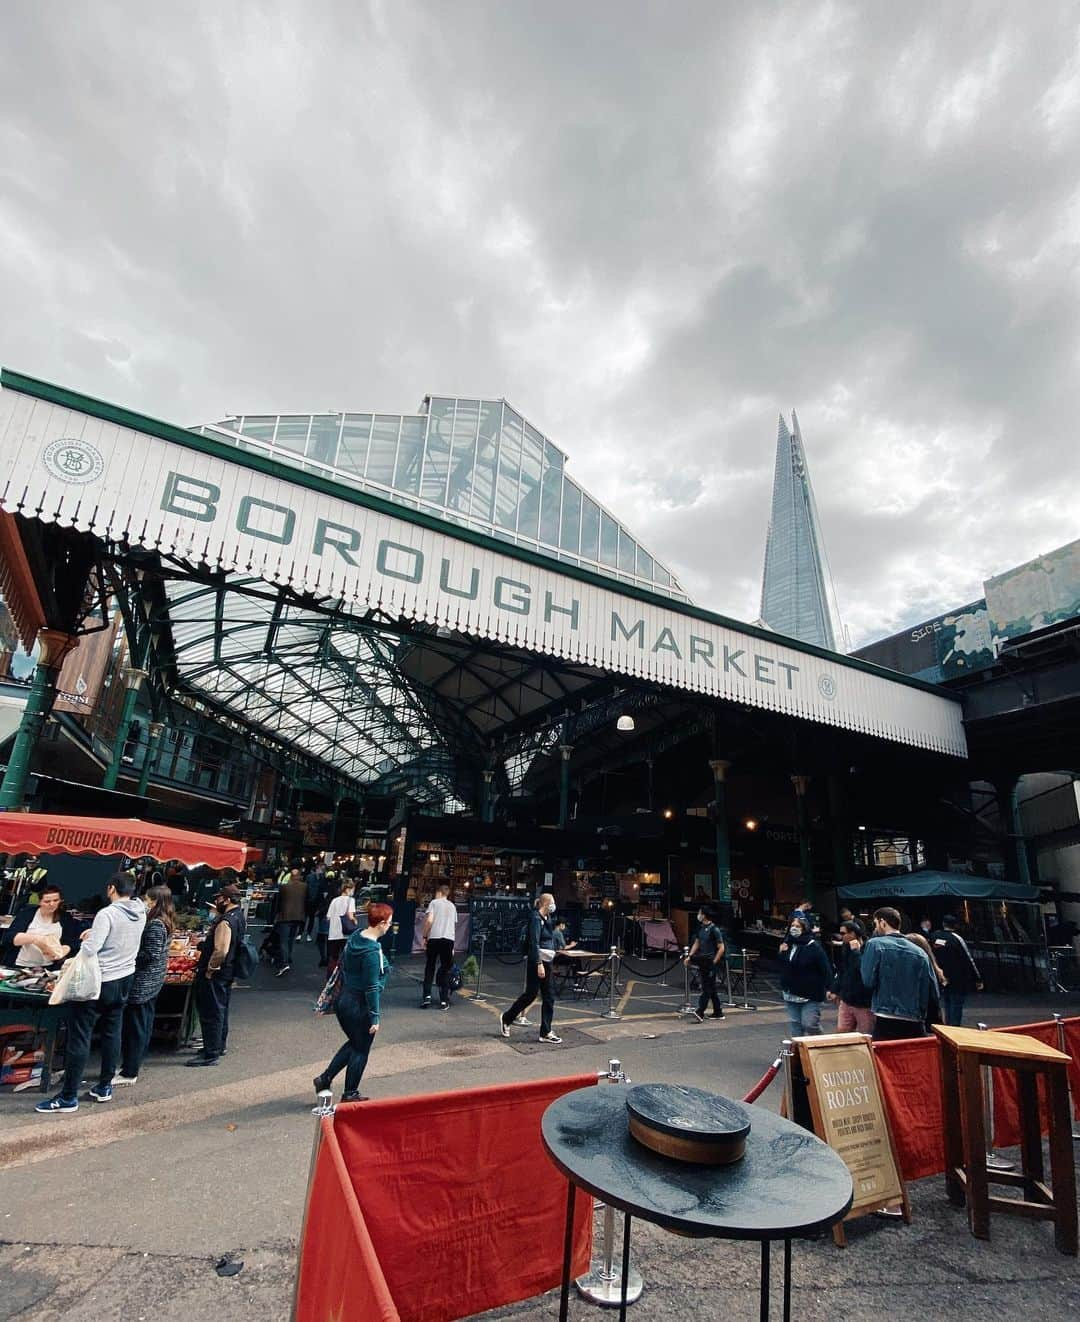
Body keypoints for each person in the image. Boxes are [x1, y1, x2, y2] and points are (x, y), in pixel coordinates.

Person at [36, 873, 146, 1114]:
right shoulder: (140, 911)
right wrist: (93, 935)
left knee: (80, 1035)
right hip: (125, 978)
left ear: (111, 888)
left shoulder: (107, 914)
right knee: (112, 1031)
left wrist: (88, 938)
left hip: (100, 981)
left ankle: (68, 1097)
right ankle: (104, 1086)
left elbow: (91, 950)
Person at [314, 902, 393, 1102]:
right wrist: (375, 1017)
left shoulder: (357, 936)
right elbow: (372, 987)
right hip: (359, 1005)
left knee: (355, 1043)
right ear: (382, 923)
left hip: (344, 999)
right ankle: (350, 1092)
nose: (390, 926)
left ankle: (325, 1079)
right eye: (389, 922)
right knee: (361, 1048)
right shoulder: (371, 952)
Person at [114, 886, 175, 1086]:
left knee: (136, 1027)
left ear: (155, 902)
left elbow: (151, 954)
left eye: (147, 900)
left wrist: (129, 955)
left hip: (144, 983)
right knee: (143, 1024)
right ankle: (131, 1065)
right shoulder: (164, 921)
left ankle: (130, 1071)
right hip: (153, 981)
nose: (144, 903)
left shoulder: (156, 924)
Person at [187, 884, 246, 1067]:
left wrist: (211, 968)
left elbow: (221, 950)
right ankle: (217, 1045)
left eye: (220, 898)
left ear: (227, 899)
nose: (217, 901)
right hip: (228, 971)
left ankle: (210, 1053)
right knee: (221, 1009)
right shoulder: (239, 916)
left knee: (212, 1011)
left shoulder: (225, 921)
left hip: (218, 973)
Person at [860, 907, 932, 1041]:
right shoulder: (920, 952)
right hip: (914, 1017)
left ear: (882, 922)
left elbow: (868, 981)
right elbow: (927, 987)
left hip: (886, 1014)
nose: (875, 928)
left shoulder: (875, 944)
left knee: (885, 1058)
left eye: (875, 924)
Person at [500, 893, 561, 1044]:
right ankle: (507, 1018)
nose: (554, 905)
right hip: (538, 962)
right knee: (531, 994)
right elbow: (534, 943)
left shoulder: (547, 918)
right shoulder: (535, 919)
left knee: (549, 996)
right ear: (546, 903)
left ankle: (545, 1032)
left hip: (547, 961)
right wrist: (539, 964)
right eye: (552, 902)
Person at [0, 884, 79, 969]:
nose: (52, 904)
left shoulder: (65, 918)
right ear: (40, 901)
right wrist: (37, 939)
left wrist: (62, 952)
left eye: (55, 900)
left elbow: (70, 942)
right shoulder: (26, 914)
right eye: (47, 901)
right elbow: (9, 938)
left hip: (48, 967)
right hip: (20, 965)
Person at [779, 915, 832, 1036]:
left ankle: (820, 1046)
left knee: (810, 1024)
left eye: (798, 926)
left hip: (810, 994)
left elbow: (825, 968)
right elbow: (783, 966)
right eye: (792, 925)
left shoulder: (813, 946)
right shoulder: (788, 943)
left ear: (804, 929)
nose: (794, 928)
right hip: (790, 992)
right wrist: (782, 952)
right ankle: (798, 1053)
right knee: (796, 1025)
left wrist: (830, 988)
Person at [932, 914, 983, 1026]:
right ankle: (954, 1027)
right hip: (958, 977)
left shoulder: (934, 937)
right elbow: (968, 959)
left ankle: (948, 1027)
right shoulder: (956, 939)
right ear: (955, 925)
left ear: (943, 924)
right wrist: (977, 978)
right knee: (956, 1004)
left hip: (941, 976)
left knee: (946, 1002)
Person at [827, 920, 874, 1035]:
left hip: (863, 1002)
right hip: (847, 999)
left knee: (865, 1036)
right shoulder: (846, 947)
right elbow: (843, 971)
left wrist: (856, 952)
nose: (841, 936)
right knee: (842, 1033)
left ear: (852, 934)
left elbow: (862, 969)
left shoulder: (868, 947)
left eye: (843, 934)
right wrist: (834, 989)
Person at [685, 906, 726, 1021]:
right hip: (703, 961)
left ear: (704, 915)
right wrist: (690, 956)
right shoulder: (701, 928)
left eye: (700, 913)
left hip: (710, 961)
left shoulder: (714, 930)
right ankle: (718, 1012)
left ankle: (700, 1011)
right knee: (711, 987)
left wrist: (714, 962)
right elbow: (697, 943)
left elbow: (721, 948)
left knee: (707, 987)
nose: (698, 915)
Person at [421, 883, 458, 1010]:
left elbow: (429, 920)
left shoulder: (434, 903)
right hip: (448, 940)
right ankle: (444, 1000)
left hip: (434, 938)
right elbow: (453, 925)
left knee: (430, 966)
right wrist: (453, 945)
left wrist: (424, 936)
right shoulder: (452, 906)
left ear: (439, 892)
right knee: (446, 969)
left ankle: (426, 997)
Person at [274, 866, 308, 976]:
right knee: (291, 939)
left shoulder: (285, 887)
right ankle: (288, 957)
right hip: (298, 916)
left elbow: (279, 902)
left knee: (283, 940)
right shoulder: (304, 886)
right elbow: (307, 900)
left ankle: (284, 962)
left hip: (285, 916)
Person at [325, 878, 357, 976]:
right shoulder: (351, 900)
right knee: (345, 957)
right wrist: (355, 921)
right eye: (353, 889)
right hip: (345, 934)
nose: (353, 892)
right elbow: (350, 916)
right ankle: (342, 977)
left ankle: (331, 977)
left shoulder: (334, 900)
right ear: (348, 889)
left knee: (333, 957)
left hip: (333, 934)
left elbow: (328, 917)